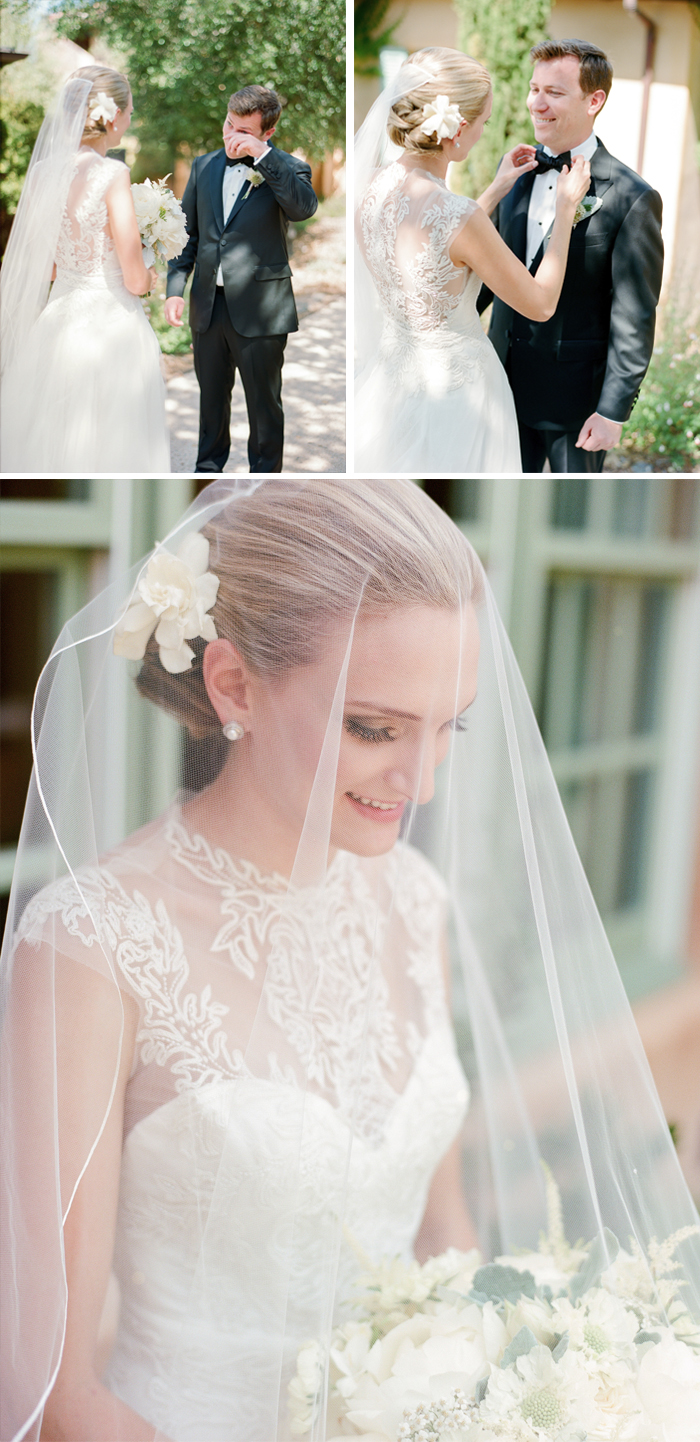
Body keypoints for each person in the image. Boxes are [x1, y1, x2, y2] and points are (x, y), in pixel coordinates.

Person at [2, 479, 699, 1442]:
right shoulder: (92, 944)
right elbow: (56, 1397)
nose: (419, 780)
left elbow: (441, 1234)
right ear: (234, 684)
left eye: (448, 726)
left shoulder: (416, 902)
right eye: (375, 728)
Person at [354, 48, 591, 474]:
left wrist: (496, 188)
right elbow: (539, 303)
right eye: (482, 124)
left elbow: (435, 246)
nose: (483, 133)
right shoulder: (458, 214)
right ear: (457, 129)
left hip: (390, 384)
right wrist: (565, 210)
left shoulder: (370, 188)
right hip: (457, 394)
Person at [479, 38, 664, 474]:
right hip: (499, 387)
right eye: (533, 89)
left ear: (594, 100)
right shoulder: (517, 174)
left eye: (554, 93)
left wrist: (613, 411)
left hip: (577, 407)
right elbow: (494, 275)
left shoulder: (632, 197)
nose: (536, 105)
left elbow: (634, 314)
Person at [0, 66, 170, 475]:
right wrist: (153, 269)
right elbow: (133, 279)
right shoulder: (112, 174)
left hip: (58, 320)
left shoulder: (42, 173)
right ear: (114, 117)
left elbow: (49, 267)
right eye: (129, 111)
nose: (129, 119)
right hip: (112, 324)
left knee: (50, 434)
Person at [165, 86, 318, 474]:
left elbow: (302, 208)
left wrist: (262, 158)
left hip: (261, 311)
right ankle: (207, 473)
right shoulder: (203, 167)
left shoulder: (289, 168)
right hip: (208, 309)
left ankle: (265, 484)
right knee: (210, 405)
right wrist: (175, 290)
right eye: (228, 125)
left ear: (266, 133)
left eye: (243, 132)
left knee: (264, 407)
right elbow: (187, 235)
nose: (231, 137)